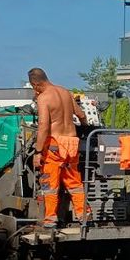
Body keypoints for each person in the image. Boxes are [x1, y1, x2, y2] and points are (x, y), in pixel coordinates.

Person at [29, 67, 90, 228]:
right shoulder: (65, 92)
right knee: (74, 182)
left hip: (55, 145)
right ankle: (83, 214)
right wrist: (85, 130)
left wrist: (38, 151)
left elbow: (43, 126)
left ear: (35, 84)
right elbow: (82, 115)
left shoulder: (44, 98)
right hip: (72, 142)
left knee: (50, 183)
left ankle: (50, 218)